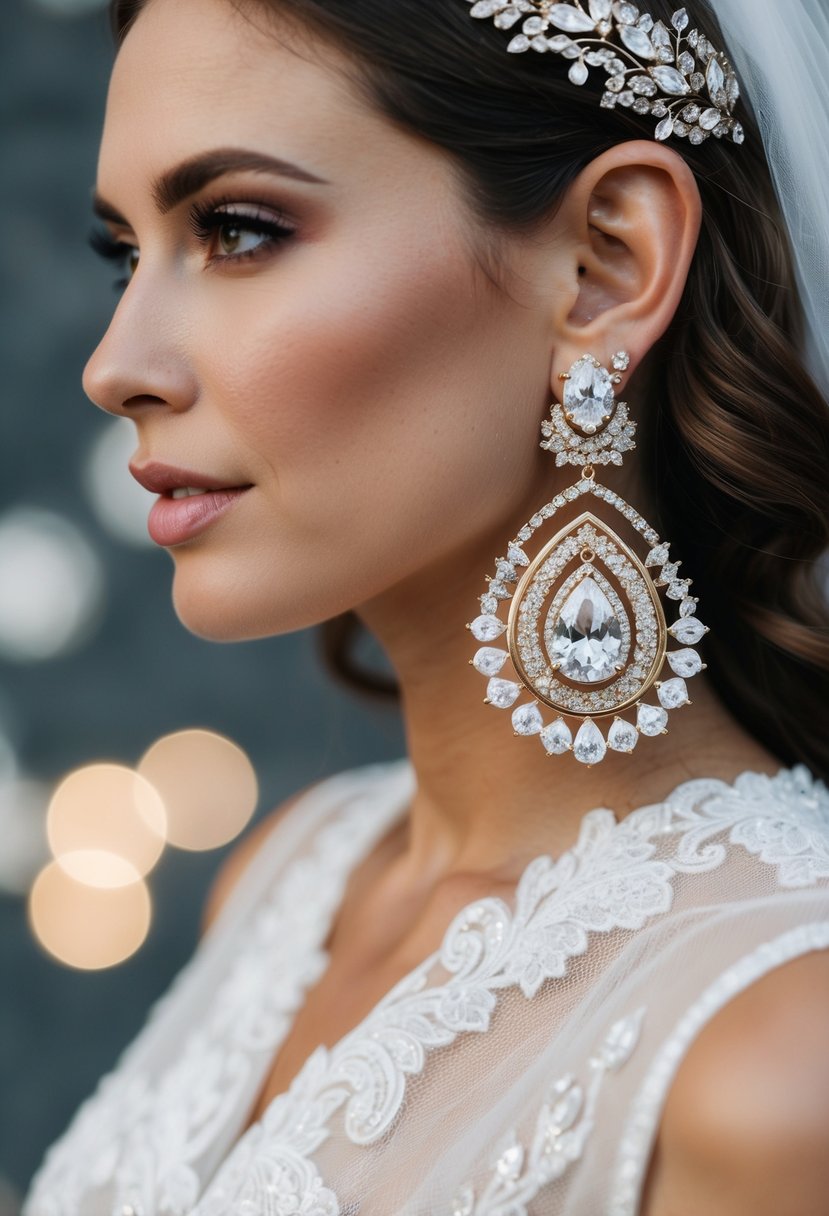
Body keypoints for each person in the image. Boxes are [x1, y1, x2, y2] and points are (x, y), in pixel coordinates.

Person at [22, 0, 829, 1212]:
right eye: (124, 253)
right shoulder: (290, 879)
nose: (115, 363)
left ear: (607, 265)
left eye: (238, 230)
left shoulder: (772, 1059)